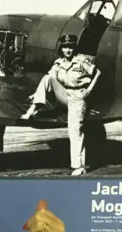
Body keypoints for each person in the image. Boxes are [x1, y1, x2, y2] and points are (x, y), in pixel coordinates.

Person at [21, 34, 101, 176]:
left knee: (75, 131)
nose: (68, 50)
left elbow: (97, 72)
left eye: (70, 47)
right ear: (61, 49)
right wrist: (36, 94)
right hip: (64, 94)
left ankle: (79, 166)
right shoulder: (58, 63)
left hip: (78, 97)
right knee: (47, 77)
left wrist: (88, 90)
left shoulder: (81, 61)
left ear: (74, 48)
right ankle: (33, 108)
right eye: (65, 47)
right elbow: (49, 79)